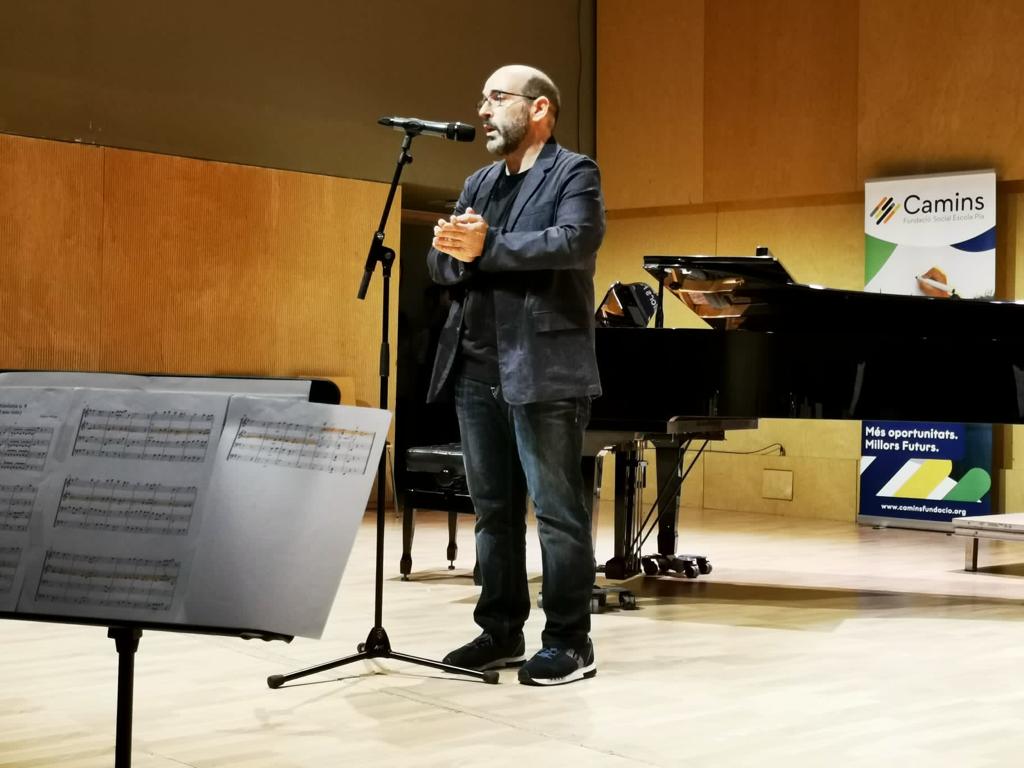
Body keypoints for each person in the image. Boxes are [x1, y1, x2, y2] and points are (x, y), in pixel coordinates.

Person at [425, 64, 605, 686]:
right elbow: (440, 257)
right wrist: (455, 257)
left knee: (557, 512)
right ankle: (499, 632)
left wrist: (486, 248)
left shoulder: (573, 171)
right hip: (477, 368)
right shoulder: (478, 179)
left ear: (539, 110)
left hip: (545, 368)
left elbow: (575, 241)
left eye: (497, 97)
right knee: (493, 510)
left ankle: (569, 641)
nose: (483, 108)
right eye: (483, 97)